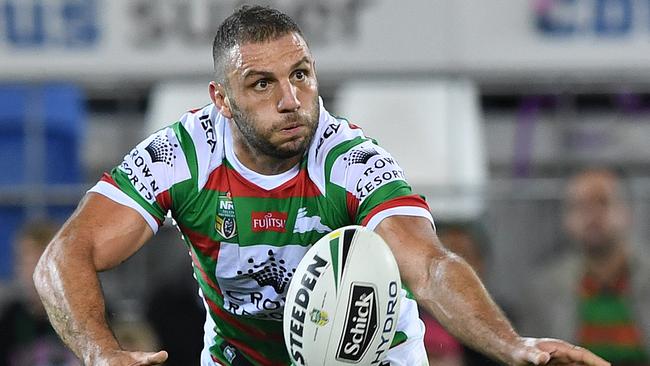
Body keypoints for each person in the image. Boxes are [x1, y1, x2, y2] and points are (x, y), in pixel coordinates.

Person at [33, 5, 609, 366]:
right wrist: (100, 354)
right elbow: (64, 255)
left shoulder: (350, 160)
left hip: (372, 358)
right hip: (241, 357)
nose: (290, 100)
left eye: (301, 75)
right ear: (221, 101)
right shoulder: (182, 154)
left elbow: (431, 266)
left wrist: (515, 347)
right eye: (261, 84)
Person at [522, 169, 650, 365]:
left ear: (628, 211)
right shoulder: (543, 289)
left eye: (602, 202)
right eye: (580, 205)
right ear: (566, 219)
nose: (592, 214)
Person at [0, 220, 80, 366]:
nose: (26, 271)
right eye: (22, 262)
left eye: (34, 261)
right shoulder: (10, 319)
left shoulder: (87, 313)